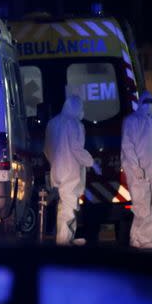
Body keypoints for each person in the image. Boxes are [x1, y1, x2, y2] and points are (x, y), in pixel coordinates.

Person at [44, 95, 95, 245]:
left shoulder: (53, 123)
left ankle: (68, 237)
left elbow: (47, 148)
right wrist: (91, 162)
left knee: (65, 203)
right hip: (71, 171)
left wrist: (55, 162)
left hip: (57, 170)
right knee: (69, 206)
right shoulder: (74, 124)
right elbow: (76, 149)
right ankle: (64, 240)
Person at [121, 90, 152, 248]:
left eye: (151, 101)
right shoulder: (132, 121)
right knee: (142, 206)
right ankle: (141, 239)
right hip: (138, 171)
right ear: (140, 102)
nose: (149, 105)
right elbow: (127, 146)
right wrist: (136, 168)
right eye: (146, 101)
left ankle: (140, 239)